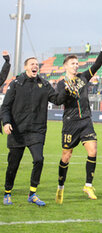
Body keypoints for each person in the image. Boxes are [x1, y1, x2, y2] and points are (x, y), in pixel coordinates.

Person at [1, 56, 66, 206]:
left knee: (39, 160)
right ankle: (7, 192)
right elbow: (5, 107)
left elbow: (57, 99)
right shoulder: (16, 83)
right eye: (32, 64)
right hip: (17, 131)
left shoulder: (43, 84)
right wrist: (6, 122)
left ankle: (32, 194)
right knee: (13, 165)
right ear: (26, 67)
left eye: (37, 64)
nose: (35, 66)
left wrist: (65, 90)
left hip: (37, 130)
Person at [55, 37, 102, 204]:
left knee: (93, 151)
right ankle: (60, 187)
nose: (76, 65)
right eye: (72, 63)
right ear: (65, 66)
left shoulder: (83, 78)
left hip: (86, 121)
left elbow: (96, 65)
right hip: (71, 124)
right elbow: (58, 100)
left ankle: (88, 185)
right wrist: (66, 91)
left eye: (77, 63)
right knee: (66, 156)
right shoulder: (61, 83)